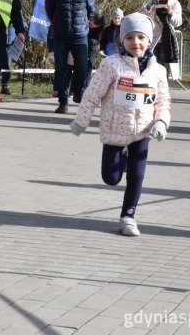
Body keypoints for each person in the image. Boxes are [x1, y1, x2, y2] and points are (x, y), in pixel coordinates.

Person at [70, 13, 170, 237]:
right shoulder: (112, 65)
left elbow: (163, 101)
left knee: (137, 175)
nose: (136, 43)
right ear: (122, 41)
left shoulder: (158, 71)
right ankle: (121, 160)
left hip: (143, 132)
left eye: (141, 38)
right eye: (130, 38)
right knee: (111, 178)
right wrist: (81, 121)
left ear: (149, 40)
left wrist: (161, 122)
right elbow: (93, 94)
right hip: (114, 130)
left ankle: (128, 217)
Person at [45, 0, 97, 114]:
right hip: (60, 36)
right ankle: (63, 102)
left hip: (80, 36)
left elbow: (92, 11)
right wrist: (57, 23)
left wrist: (88, 24)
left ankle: (79, 93)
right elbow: (49, 9)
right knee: (61, 69)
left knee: (82, 67)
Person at [142, 0, 183, 77]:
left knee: (164, 72)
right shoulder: (150, 1)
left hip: (167, 41)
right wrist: (149, 6)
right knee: (150, 70)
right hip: (152, 41)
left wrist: (170, 13)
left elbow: (178, 22)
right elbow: (141, 17)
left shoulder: (175, 3)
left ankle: (164, 91)